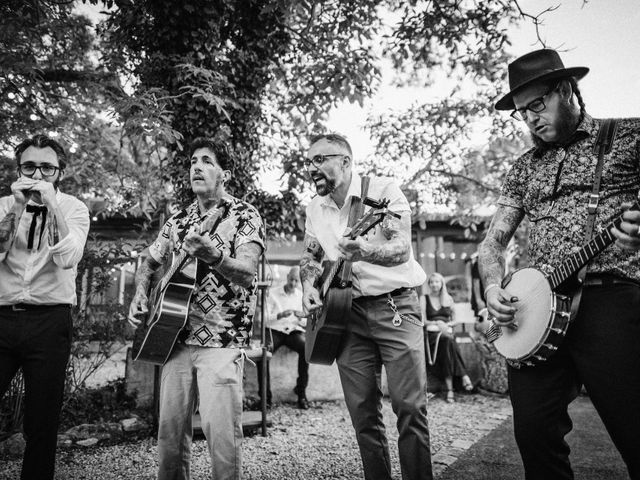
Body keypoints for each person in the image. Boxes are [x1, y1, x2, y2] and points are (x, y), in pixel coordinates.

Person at [479, 48, 640, 480]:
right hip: (535, 310)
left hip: (611, 300)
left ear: (567, 90)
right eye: (521, 111)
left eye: (537, 104)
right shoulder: (523, 168)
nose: (529, 118)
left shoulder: (628, 135)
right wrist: (493, 288)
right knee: (534, 438)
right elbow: (491, 244)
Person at [128, 137, 265, 480]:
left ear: (225, 174)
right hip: (174, 337)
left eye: (206, 161)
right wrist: (141, 292)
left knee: (222, 438)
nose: (196, 167)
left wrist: (214, 255)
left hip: (222, 340)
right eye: (192, 161)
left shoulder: (244, 214)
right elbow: (148, 258)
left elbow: (248, 273)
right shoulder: (178, 220)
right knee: (170, 437)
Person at [300, 133, 433, 480]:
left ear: (345, 161)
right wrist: (307, 288)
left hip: (396, 306)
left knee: (410, 406)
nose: (311, 168)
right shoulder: (314, 208)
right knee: (362, 412)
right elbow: (310, 257)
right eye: (308, 162)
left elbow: (402, 247)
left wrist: (365, 252)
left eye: (319, 160)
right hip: (345, 314)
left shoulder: (384, 191)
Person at [0, 134, 90, 480]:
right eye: (30, 166)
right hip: (3, 317)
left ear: (60, 173)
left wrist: (51, 203)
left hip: (49, 321)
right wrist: (19, 206)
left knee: (42, 421)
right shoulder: (5, 206)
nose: (38, 174)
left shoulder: (74, 208)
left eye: (47, 168)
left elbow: (68, 257)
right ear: (18, 169)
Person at [257, 266, 310, 409]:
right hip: (275, 330)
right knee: (264, 353)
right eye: (292, 279)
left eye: (296, 281)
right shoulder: (273, 293)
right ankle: (265, 398)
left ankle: (301, 392)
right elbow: (262, 318)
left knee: (306, 349)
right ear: (287, 277)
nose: (293, 283)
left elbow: (306, 321)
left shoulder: (301, 296)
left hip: (293, 331)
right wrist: (280, 315)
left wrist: (301, 319)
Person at [422, 272, 473, 403]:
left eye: (437, 281)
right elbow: (423, 320)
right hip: (432, 335)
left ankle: (451, 389)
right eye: (431, 282)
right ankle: (464, 376)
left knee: (448, 343)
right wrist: (438, 324)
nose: (434, 284)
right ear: (429, 285)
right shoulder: (424, 298)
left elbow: (455, 320)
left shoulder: (448, 299)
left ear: (441, 283)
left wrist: (447, 324)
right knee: (448, 341)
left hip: (447, 333)